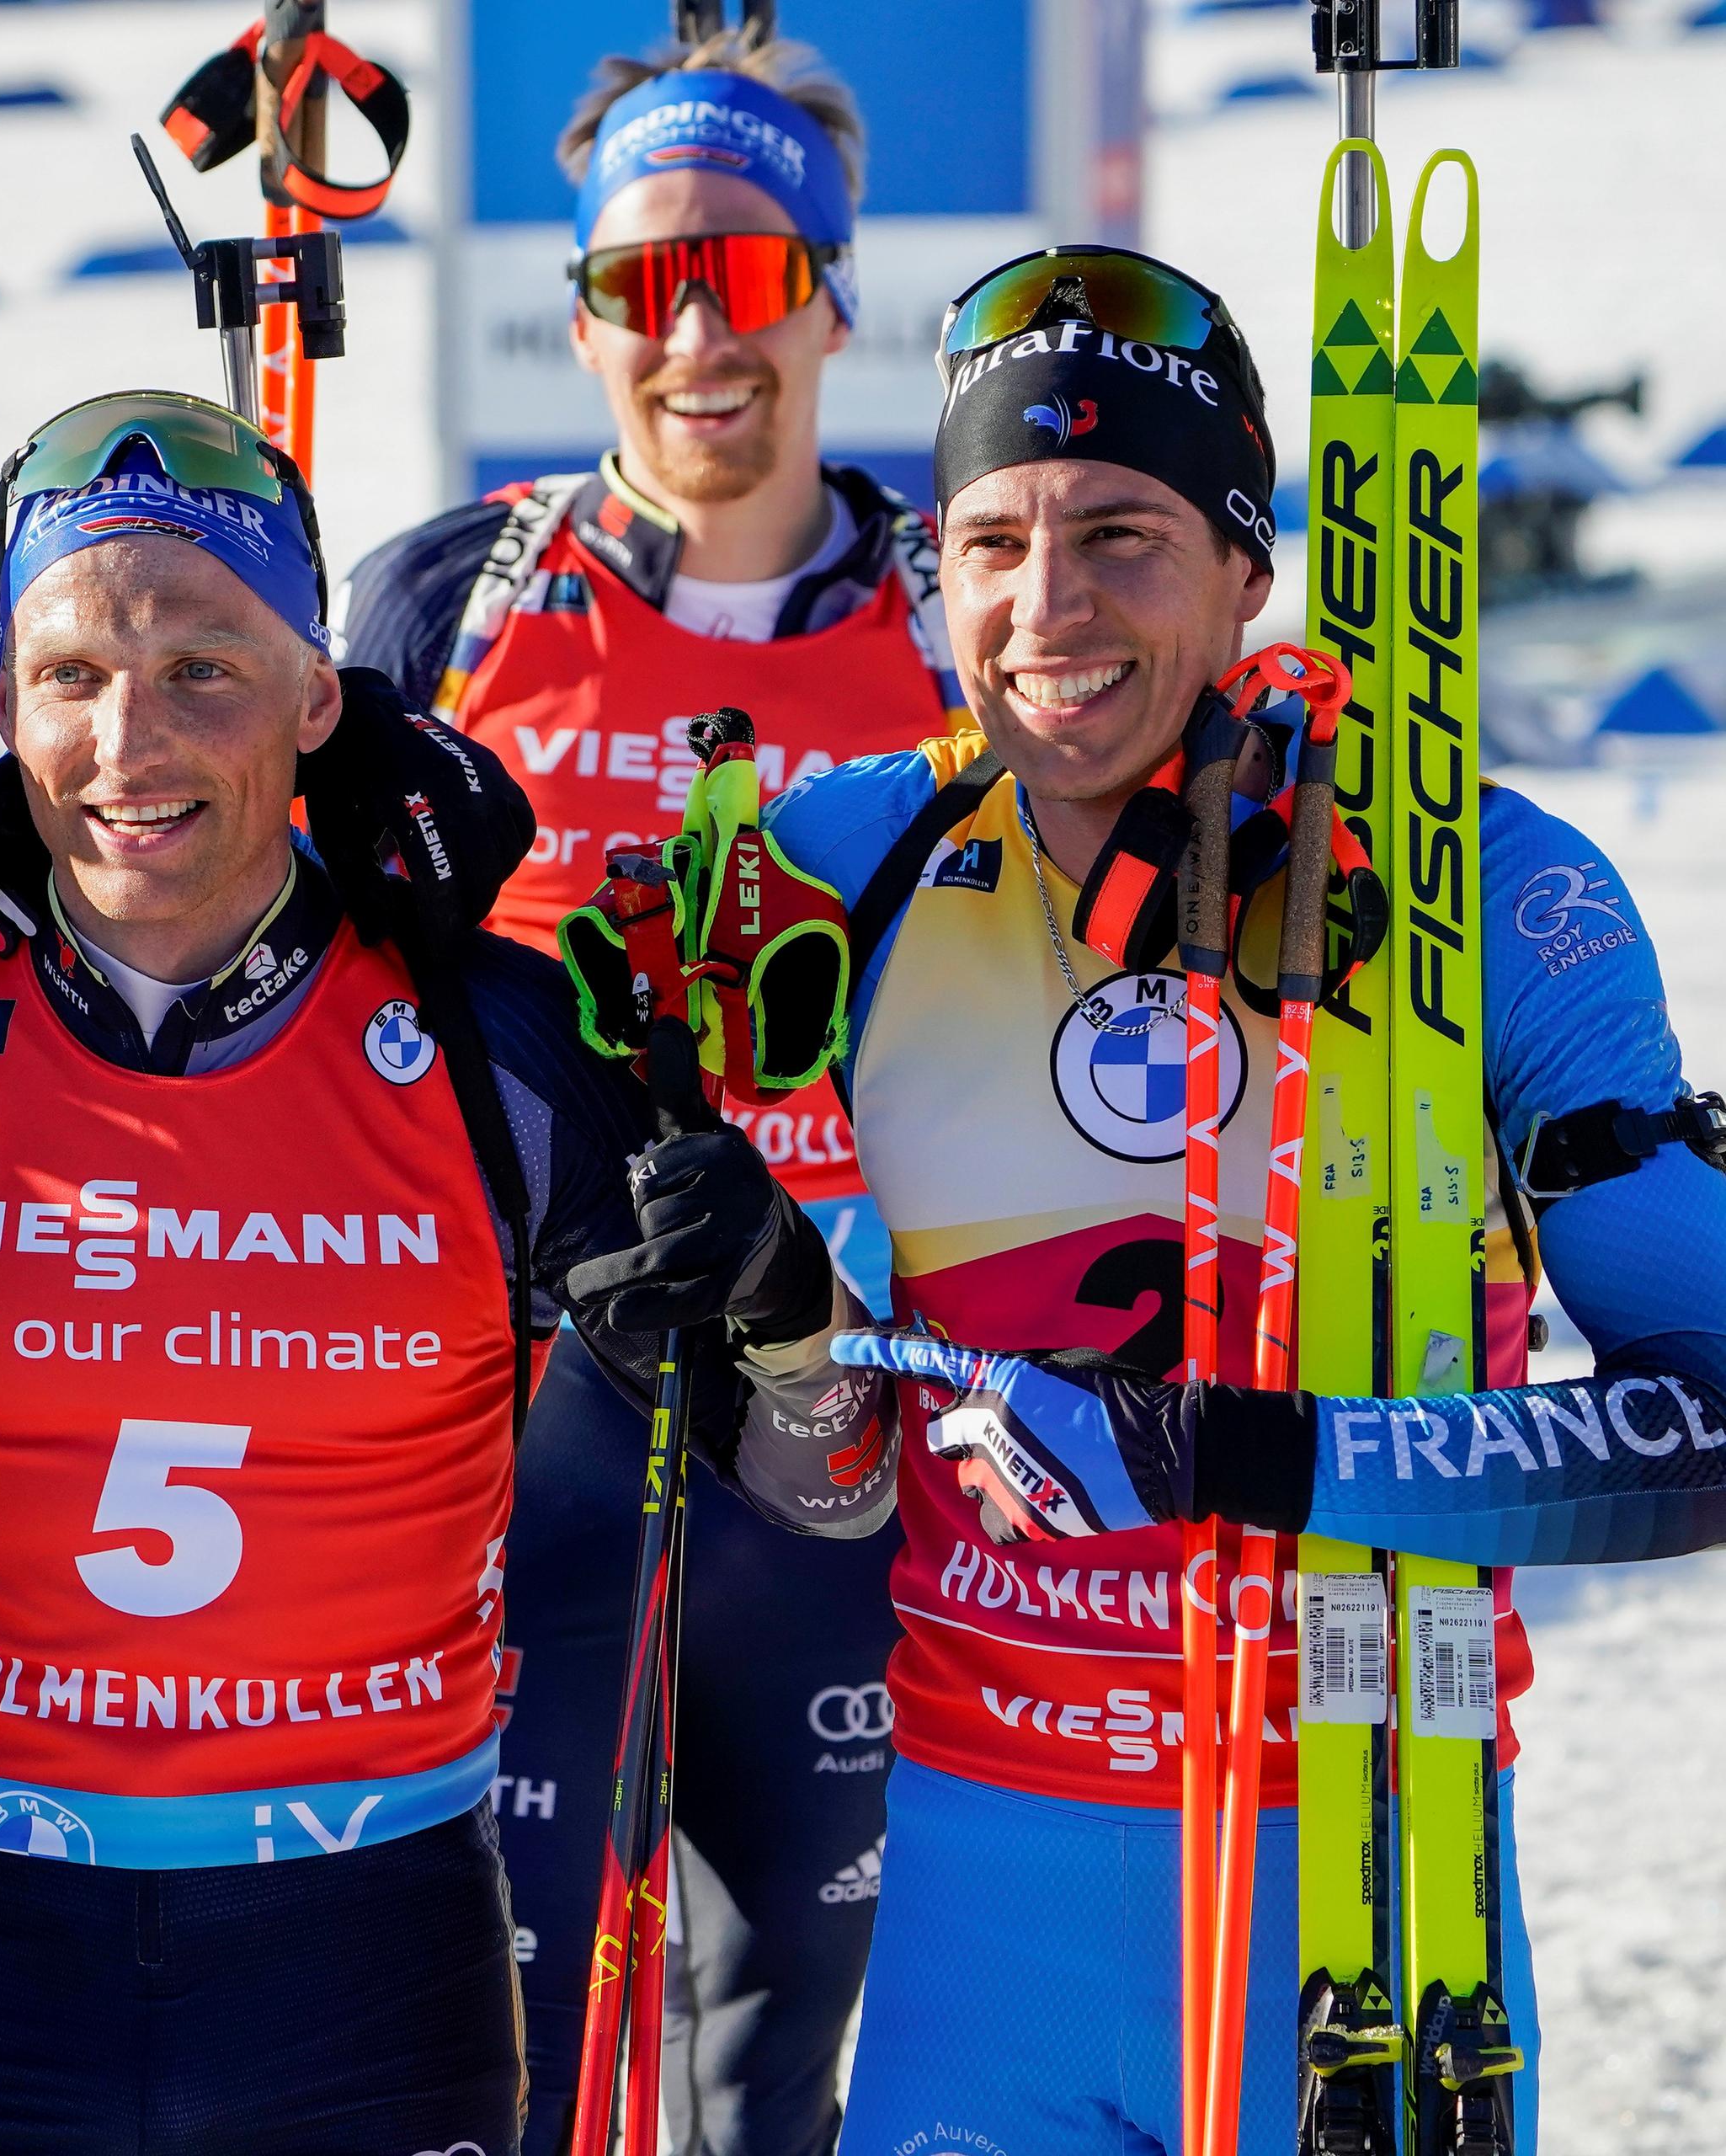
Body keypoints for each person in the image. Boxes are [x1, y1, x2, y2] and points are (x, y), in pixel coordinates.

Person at [0, 389, 852, 2152]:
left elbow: (821, 1487)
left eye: (203, 668)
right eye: (73, 676)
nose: (131, 743)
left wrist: (782, 1293)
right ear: (9, 703)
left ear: (315, 697)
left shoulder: (484, 1048)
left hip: (369, 1980)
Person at [632, 240, 1726, 2151]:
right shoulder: (855, 851)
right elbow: (480, 1090)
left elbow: (1703, 1425)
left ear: (1247, 566)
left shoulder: (1484, 890)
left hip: (1367, 1886)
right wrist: (769, 1307)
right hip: (976, 1920)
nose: (1047, 604)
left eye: (1121, 533)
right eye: (994, 540)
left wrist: (1237, 1455)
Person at [338, 26, 950, 2149]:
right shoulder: (456, 598)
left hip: (848, 1419)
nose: (700, 337)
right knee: (504, 2059)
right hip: (521, 1430)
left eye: (751, 273)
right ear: (583, 311)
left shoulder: (969, 614)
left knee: (769, 2075)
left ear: (833, 295)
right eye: (645, 282)